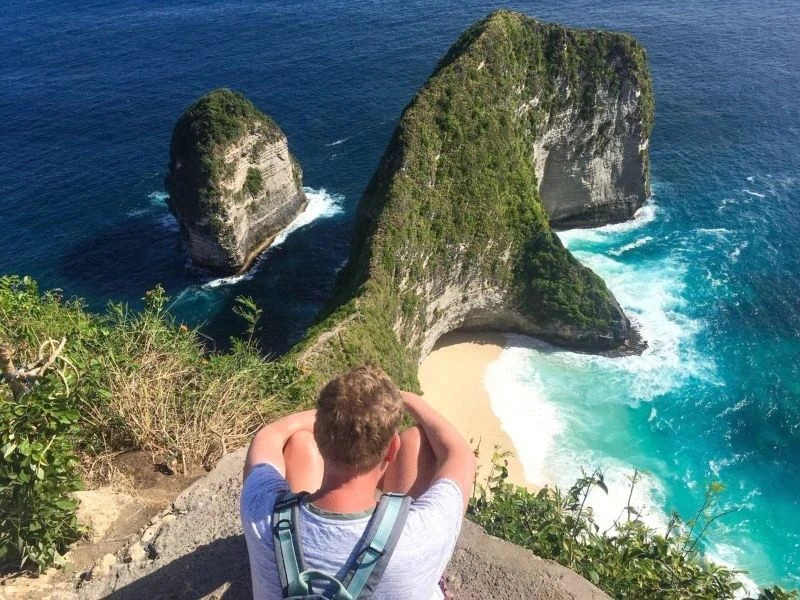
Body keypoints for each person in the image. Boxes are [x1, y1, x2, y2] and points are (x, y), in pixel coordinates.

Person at [240, 364, 476, 599]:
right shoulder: (426, 530)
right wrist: (409, 399)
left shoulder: (260, 508)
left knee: (300, 441)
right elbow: (460, 455)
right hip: (402, 548)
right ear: (392, 448)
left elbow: (270, 435)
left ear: (319, 433)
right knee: (417, 440)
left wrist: (335, 417)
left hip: (290, 554)